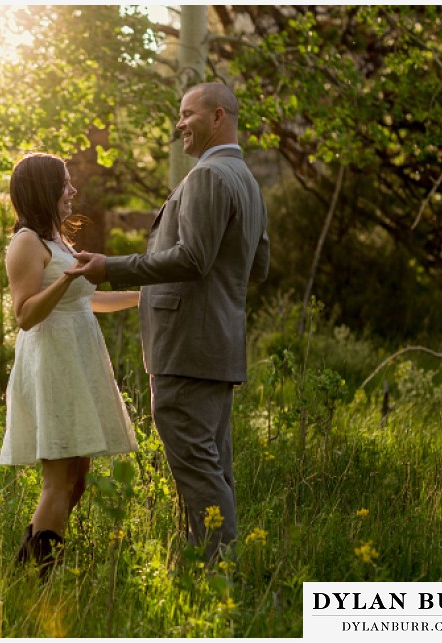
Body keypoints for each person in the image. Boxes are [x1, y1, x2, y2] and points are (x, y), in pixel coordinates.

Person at [66, 83, 270, 565]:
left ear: (218, 116)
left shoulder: (207, 178)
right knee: (211, 464)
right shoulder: (247, 180)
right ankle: (210, 565)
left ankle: (212, 572)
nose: (179, 123)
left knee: (198, 466)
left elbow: (193, 258)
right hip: (220, 346)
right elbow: (256, 269)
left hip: (186, 347)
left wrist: (110, 266)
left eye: (187, 114)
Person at [0, 152, 140, 578]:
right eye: (65, 183)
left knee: (78, 478)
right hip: (52, 364)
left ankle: (32, 557)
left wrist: (145, 297)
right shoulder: (27, 242)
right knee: (59, 480)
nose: (73, 190)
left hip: (78, 360)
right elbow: (24, 315)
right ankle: (38, 576)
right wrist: (65, 278)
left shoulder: (58, 240)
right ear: (44, 189)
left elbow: (88, 301)